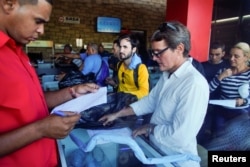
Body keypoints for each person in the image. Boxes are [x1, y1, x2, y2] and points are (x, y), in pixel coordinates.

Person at [0, 0, 100, 166]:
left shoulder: (17, 51)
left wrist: (71, 91)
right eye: (38, 21)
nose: (41, 31)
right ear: (8, 4)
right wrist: (40, 129)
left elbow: (32, 101)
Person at [99, 21, 209, 167]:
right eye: (153, 53)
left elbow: (180, 135)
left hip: (176, 159)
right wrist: (117, 114)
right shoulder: (168, 75)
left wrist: (150, 128)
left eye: (158, 53)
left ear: (179, 49)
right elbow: (149, 101)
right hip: (156, 151)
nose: (154, 58)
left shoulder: (193, 84)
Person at [209, 42, 250, 134]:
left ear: (246, 57)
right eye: (230, 55)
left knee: (237, 138)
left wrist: (244, 101)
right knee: (217, 135)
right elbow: (208, 90)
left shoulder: (248, 74)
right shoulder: (223, 71)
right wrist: (220, 77)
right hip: (222, 109)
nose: (232, 59)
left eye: (236, 56)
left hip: (241, 111)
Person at [106, 33, 150, 99]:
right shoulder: (119, 65)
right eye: (120, 47)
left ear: (134, 49)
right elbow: (122, 85)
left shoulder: (141, 68)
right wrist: (114, 84)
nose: (121, 50)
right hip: (119, 101)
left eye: (125, 47)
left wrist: (125, 96)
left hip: (132, 104)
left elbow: (144, 92)